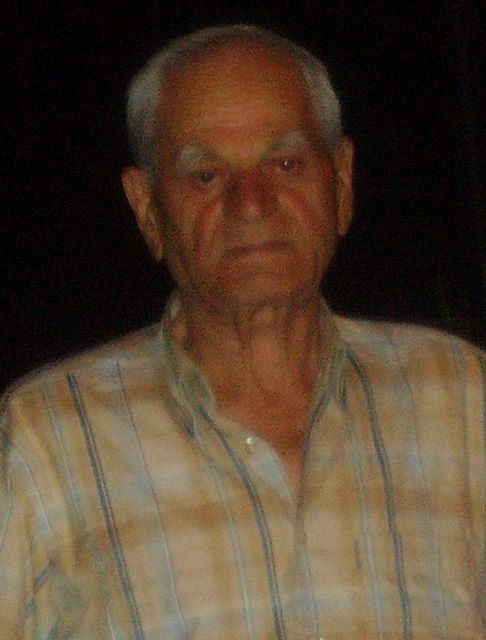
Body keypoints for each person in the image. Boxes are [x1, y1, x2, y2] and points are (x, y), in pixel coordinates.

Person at [1, 24, 485, 640]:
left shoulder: (461, 398)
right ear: (147, 209)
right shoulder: (46, 442)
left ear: (341, 182)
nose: (252, 201)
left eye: (286, 163)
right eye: (205, 175)